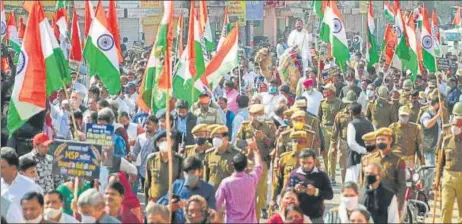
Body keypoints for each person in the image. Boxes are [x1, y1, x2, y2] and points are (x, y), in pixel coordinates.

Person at [234, 104, 276, 219]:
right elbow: (237, 142)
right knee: (248, 192)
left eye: (258, 115)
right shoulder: (245, 126)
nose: (255, 117)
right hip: (248, 162)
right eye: (253, 115)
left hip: (262, 162)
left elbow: (275, 143)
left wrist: (264, 138)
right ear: (250, 115)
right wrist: (247, 143)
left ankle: (258, 213)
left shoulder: (269, 125)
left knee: (260, 191)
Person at [215, 138, 263, 223]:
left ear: (232, 164)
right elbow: (259, 166)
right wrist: (255, 150)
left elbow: (217, 203)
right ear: (246, 166)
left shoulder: (226, 183)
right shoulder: (252, 179)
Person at [157, 156, 216, 223]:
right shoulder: (176, 185)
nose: (189, 175)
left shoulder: (209, 189)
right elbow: (160, 205)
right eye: (186, 173)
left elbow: (212, 213)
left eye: (193, 172)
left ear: (200, 172)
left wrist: (194, 206)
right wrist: (170, 206)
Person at [285, 149, 333, 223]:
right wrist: (294, 190)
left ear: (314, 161)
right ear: (299, 161)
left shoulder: (321, 175)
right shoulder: (294, 174)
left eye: (309, 163)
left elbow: (330, 195)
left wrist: (316, 192)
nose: (306, 166)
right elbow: (286, 192)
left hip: (315, 217)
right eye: (303, 163)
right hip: (297, 217)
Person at [434, 116, 462, 223]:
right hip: (448, 177)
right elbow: (440, 162)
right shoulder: (446, 140)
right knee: (445, 208)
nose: (454, 128)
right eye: (453, 125)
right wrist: (437, 178)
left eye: (457, 126)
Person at [318, 82, 345, 185]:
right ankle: (327, 174)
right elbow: (319, 117)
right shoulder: (322, 103)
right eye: (324, 90)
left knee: (332, 153)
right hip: (324, 129)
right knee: (324, 153)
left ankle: (332, 176)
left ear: (332, 92)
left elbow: (342, 118)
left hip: (335, 129)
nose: (324, 92)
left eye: (326, 90)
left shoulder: (339, 103)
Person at [145, 131, 183, 202]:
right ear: (157, 143)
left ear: (172, 142)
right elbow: (147, 183)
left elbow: (181, 183)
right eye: (162, 140)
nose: (165, 142)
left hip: (172, 202)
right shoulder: (151, 159)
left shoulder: (179, 160)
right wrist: (147, 202)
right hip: (155, 201)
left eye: (167, 140)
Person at [330, 91, 357, 183]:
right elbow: (335, 130)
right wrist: (333, 145)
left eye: (352, 103)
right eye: (348, 103)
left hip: (356, 143)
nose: (350, 105)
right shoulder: (340, 114)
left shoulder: (360, 115)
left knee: (355, 166)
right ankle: (345, 185)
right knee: (343, 166)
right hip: (343, 142)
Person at [204, 125, 242, 189]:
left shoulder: (237, 153)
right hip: (214, 193)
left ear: (226, 138)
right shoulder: (209, 154)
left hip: (230, 193)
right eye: (214, 137)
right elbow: (206, 177)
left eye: (218, 137)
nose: (215, 140)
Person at [345, 102, 375, 183]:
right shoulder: (370, 124)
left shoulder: (352, 124)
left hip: (355, 159)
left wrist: (363, 150)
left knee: (353, 184)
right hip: (369, 158)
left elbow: (351, 143)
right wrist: (368, 151)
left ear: (351, 113)